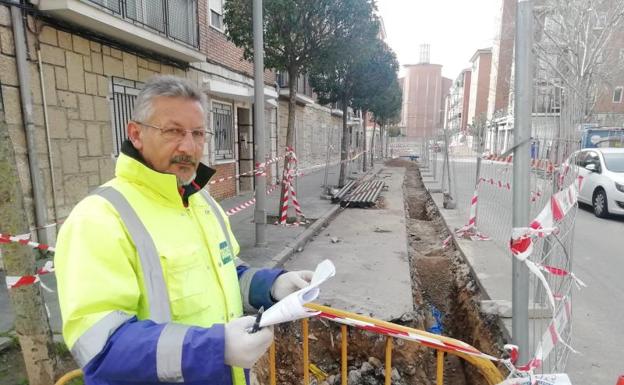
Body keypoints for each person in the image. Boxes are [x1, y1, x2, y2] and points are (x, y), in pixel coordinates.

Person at [55, 75, 313, 385]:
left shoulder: (202, 202)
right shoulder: (98, 218)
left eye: (198, 133)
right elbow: (100, 348)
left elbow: (228, 275)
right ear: (135, 134)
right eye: (173, 131)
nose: (188, 147)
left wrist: (271, 287)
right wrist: (216, 347)